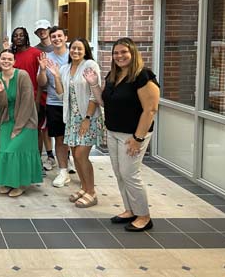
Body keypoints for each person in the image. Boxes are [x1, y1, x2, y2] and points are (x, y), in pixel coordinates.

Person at [85, 38, 159, 231]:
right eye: (116, 53)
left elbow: (150, 110)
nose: (119, 56)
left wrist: (138, 138)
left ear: (133, 53)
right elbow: (104, 102)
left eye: (123, 52)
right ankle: (130, 210)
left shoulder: (143, 76)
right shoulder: (113, 76)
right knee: (120, 174)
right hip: (113, 132)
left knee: (130, 174)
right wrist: (93, 84)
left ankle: (144, 216)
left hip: (132, 135)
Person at [47, 38, 104, 208]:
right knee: (75, 155)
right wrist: (57, 76)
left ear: (85, 51)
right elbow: (60, 94)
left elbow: (95, 94)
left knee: (81, 155)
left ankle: (91, 192)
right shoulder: (65, 68)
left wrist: (87, 118)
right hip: (71, 119)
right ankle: (85, 188)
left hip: (87, 118)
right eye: (73, 48)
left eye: (79, 48)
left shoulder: (90, 66)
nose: (75, 51)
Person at [0, 48, 42, 196]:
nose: (6, 61)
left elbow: (27, 102)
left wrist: (18, 128)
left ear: (14, 61)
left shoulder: (22, 75)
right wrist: (0, 92)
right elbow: (3, 104)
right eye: (3, 59)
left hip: (26, 121)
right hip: (8, 120)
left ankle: (22, 184)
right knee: (5, 152)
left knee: (15, 150)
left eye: (9, 59)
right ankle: (9, 182)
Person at [37, 26, 72, 188]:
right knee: (59, 138)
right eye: (54, 36)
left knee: (74, 139)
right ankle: (63, 170)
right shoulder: (46, 57)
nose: (57, 39)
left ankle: (74, 165)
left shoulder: (73, 54)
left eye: (59, 36)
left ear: (65, 37)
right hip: (54, 103)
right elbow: (42, 84)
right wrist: (43, 70)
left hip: (73, 104)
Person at [33, 19, 55, 172]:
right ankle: (49, 156)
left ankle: (65, 159)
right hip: (43, 93)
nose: (42, 32)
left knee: (59, 128)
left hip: (58, 93)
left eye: (44, 29)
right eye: (39, 30)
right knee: (43, 127)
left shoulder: (59, 47)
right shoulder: (36, 50)